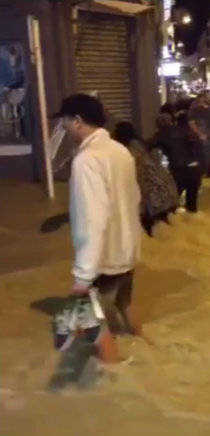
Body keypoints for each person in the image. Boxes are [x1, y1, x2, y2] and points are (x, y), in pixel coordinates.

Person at [54, 93, 141, 335]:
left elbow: (92, 220)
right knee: (125, 306)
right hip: (128, 252)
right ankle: (145, 355)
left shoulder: (87, 160)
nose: (63, 127)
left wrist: (82, 277)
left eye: (64, 121)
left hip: (105, 259)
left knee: (97, 326)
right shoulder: (120, 151)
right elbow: (134, 200)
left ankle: (118, 371)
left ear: (78, 121)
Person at [112, 121, 179, 235]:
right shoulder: (141, 144)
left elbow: (139, 179)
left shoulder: (129, 151)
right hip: (166, 191)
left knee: (151, 230)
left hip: (153, 197)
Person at [152, 112, 204, 213]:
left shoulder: (161, 135)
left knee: (172, 203)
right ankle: (193, 223)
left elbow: (147, 146)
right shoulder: (183, 130)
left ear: (158, 125)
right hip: (195, 169)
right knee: (192, 205)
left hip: (179, 170)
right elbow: (198, 145)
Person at [188, 93, 210, 178]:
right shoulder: (195, 110)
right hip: (203, 140)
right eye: (206, 97)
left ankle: (209, 178)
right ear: (201, 99)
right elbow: (191, 123)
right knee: (205, 160)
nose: (208, 98)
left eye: (209, 97)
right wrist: (200, 134)